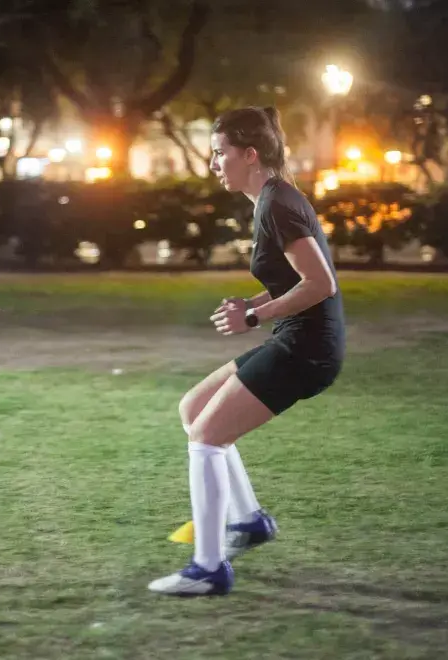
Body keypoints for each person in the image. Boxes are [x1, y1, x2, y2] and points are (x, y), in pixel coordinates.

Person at [148, 106, 346, 597]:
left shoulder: (278, 202)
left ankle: (208, 568)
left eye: (220, 154)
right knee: (194, 409)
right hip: (294, 338)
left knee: (207, 439)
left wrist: (254, 317)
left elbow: (320, 283)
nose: (214, 164)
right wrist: (253, 303)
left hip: (307, 349)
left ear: (250, 155)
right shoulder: (272, 199)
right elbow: (294, 278)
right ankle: (250, 521)